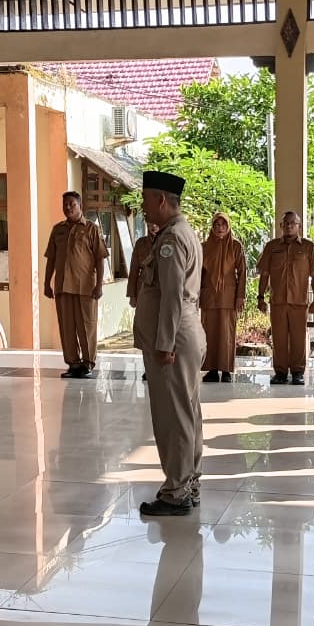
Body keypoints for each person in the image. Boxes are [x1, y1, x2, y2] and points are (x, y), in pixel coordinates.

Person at [135, 171, 206, 517]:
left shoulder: (171, 240)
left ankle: (176, 491)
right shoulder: (182, 232)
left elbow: (172, 296)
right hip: (185, 332)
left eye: (147, 199)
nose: (144, 206)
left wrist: (164, 342)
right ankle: (188, 481)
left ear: (162, 200)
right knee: (188, 411)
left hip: (174, 337)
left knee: (173, 416)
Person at [44, 191, 108, 379]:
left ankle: (88, 363)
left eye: (72, 204)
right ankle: (73, 363)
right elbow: (51, 259)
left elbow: (100, 259)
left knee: (86, 325)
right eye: (65, 204)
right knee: (67, 326)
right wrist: (47, 283)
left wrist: (99, 285)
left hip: (86, 287)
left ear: (80, 206)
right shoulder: (58, 230)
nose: (68, 207)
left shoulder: (91, 229)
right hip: (63, 286)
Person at [256, 211, 314, 385]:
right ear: (280, 226)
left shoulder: (308, 247)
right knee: (278, 338)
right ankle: (280, 372)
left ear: (299, 226)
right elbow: (264, 274)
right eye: (286, 223)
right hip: (277, 301)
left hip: (299, 301)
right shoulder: (271, 247)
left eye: (293, 223)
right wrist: (260, 297)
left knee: (298, 338)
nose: (289, 226)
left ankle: (298, 372)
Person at [200, 212, 245, 383]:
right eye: (216, 225)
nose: (220, 228)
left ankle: (226, 370)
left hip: (229, 296)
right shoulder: (204, 247)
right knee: (209, 333)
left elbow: (242, 273)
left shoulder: (235, 246)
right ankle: (211, 369)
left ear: (228, 226)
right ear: (212, 227)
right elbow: (198, 272)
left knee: (227, 334)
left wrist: (240, 296)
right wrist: (196, 294)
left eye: (223, 225)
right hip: (209, 296)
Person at [128, 221, 160, 382]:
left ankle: (160, 368)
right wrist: (132, 295)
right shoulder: (141, 243)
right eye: (149, 223)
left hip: (161, 291)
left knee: (160, 330)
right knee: (145, 331)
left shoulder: (168, 239)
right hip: (143, 290)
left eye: (155, 224)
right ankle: (148, 368)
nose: (153, 226)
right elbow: (134, 269)